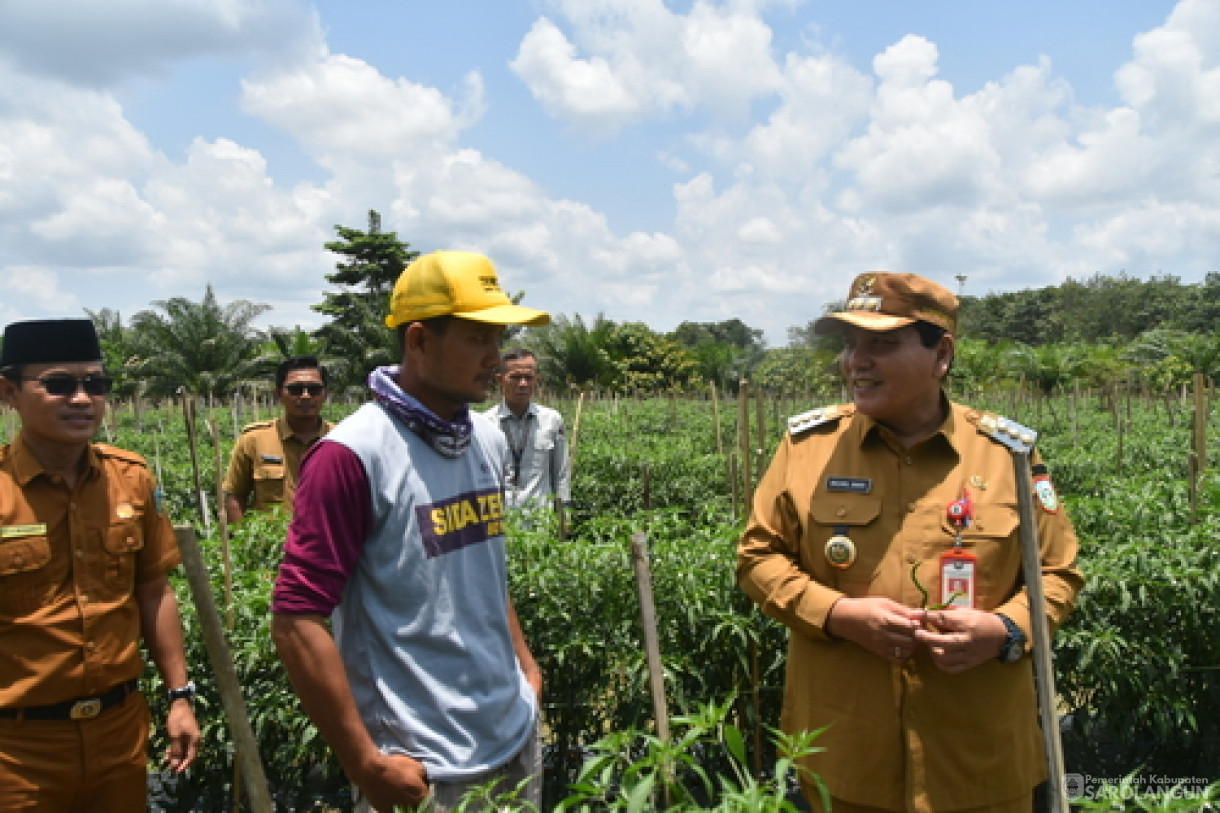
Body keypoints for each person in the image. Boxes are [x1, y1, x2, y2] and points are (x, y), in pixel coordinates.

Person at [736, 273, 1084, 813]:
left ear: (940, 354)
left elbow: (1058, 572)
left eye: (881, 343)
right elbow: (758, 558)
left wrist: (1006, 628)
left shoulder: (1007, 455)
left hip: (978, 763)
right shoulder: (808, 448)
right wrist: (838, 614)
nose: (856, 361)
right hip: (845, 762)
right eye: (850, 344)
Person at [271, 250, 549, 813]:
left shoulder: (484, 438)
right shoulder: (352, 455)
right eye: (477, 339)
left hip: (512, 735)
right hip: (422, 763)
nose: (495, 359)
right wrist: (364, 763)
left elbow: (482, 569)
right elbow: (295, 618)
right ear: (419, 340)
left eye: (498, 340)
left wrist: (525, 670)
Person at [0, 318, 200, 810]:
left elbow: (154, 591)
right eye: (60, 385)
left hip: (119, 733)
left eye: (96, 384)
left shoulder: (129, 478)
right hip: (18, 749)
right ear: (8, 392)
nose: (82, 398)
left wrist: (180, 696)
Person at [223, 354, 334, 523]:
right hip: (270, 544)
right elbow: (235, 495)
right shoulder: (254, 439)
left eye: (314, 389)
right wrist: (242, 539)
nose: (305, 396)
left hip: (325, 545)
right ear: (279, 394)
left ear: (325, 394)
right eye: (295, 389)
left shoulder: (343, 439)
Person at [483, 348, 571, 511]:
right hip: (500, 522)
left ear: (537, 380)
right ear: (501, 379)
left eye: (528, 378)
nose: (523, 384)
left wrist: (563, 517)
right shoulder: (485, 423)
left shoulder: (551, 420)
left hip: (540, 523)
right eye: (515, 377)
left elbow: (561, 474)